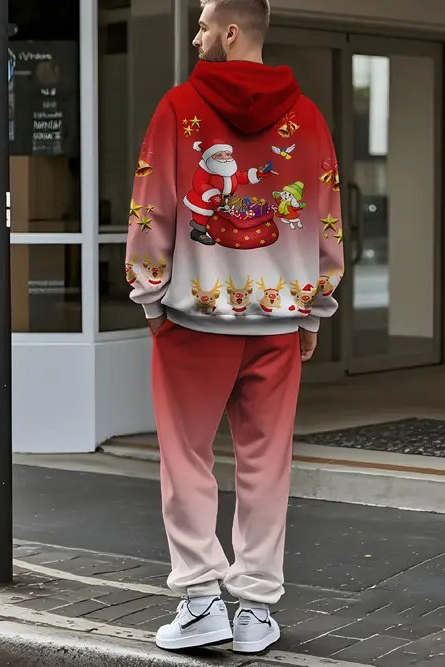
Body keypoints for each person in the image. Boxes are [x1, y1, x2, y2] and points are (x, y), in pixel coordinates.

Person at [125, 0, 344, 655]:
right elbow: (327, 218)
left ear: (229, 30)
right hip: (277, 321)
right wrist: (315, 308)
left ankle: (200, 600)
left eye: (201, 24)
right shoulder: (308, 118)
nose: (195, 37)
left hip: (194, 319)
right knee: (266, 463)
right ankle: (254, 609)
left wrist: (150, 298)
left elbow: (150, 209)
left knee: (186, 456)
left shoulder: (178, 109)